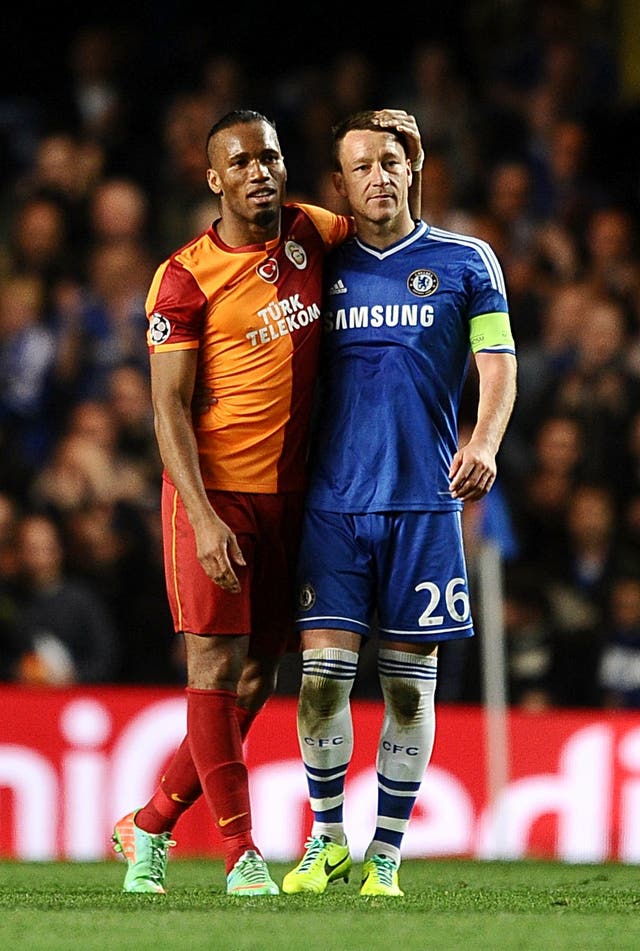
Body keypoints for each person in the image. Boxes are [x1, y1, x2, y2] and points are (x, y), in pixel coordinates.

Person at [111, 108, 424, 897]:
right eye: (241, 161)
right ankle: (238, 852)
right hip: (212, 496)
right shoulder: (182, 277)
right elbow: (167, 411)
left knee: (257, 680)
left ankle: (148, 823)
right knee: (214, 666)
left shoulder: (313, 233)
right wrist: (205, 516)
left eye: (271, 157)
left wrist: (407, 156)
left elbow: (388, 208)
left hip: (295, 498)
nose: (260, 172)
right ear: (213, 177)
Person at [282, 110, 517, 897]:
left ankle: (384, 852)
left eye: (390, 161)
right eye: (361, 167)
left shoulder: (465, 260)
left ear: (412, 166)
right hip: (331, 507)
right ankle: (326, 838)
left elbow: (497, 361)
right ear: (340, 186)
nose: (378, 176)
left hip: (423, 506)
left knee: (409, 686)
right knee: (321, 680)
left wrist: (482, 441)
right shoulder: (317, 264)